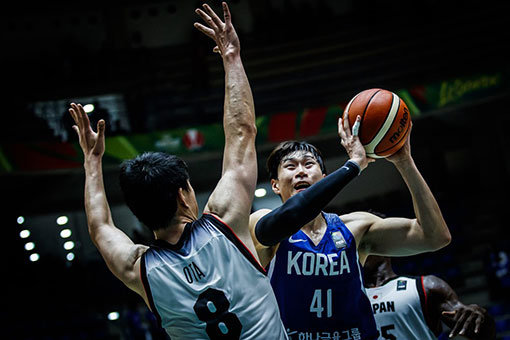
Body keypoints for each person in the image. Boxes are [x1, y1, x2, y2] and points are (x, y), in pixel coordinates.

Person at [69, 3, 288, 339]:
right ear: (183, 194)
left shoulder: (137, 268)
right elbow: (242, 131)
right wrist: (231, 57)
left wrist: (91, 162)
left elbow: (99, 227)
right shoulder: (225, 221)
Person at [249, 117, 452, 339]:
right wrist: (352, 166)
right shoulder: (261, 223)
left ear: (324, 178)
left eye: (309, 164)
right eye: (290, 166)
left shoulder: (355, 227)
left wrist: (404, 162)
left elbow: (435, 237)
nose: (300, 172)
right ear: (275, 185)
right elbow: (292, 214)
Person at [363, 255, 496, 340]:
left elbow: (481, 334)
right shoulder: (346, 299)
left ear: (384, 244)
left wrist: (482, 318)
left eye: (363, 242)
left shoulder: (426, 286)